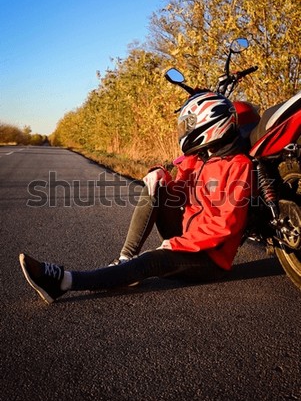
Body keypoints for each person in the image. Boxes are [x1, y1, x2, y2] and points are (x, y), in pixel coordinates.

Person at [19, 90, 253, 304]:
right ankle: (125, 259)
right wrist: (159, 175)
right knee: (155, 185)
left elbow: (225, 226)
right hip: (188, 235)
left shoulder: (239, 166)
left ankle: (63, 282)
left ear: (212, 123)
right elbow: (179, 195)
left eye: (191, 124)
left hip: (210, 258)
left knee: (150, 261)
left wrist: (176, 244)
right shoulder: (197, 158)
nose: (186, 130)